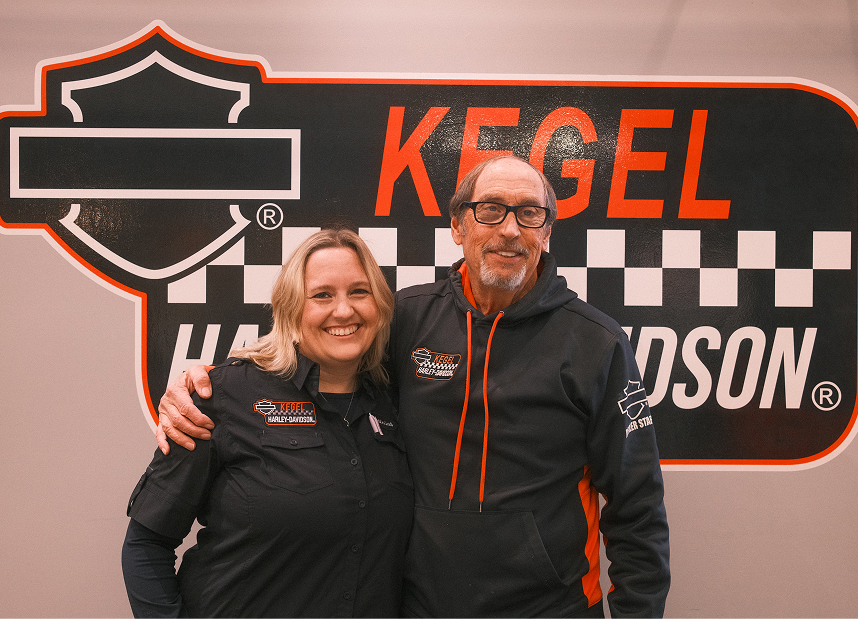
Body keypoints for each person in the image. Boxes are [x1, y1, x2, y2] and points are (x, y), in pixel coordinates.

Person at [158, 156, 670, 617]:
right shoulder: (405, 319)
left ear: (547, 232)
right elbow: (314, 352)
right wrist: (203, 383)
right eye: (490, 210)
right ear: (457, 226)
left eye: (529, 214)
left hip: (549, 608)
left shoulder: (597, 344)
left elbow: (637, 508)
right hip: (421, 607)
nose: (510, 230)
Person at [122, 228, 413, 617]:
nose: (344, 310)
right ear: (291, 308)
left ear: (379, 306)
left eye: (359, 292)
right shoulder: (224, 396)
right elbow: (145, 546)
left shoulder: (396, 402)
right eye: (322, 295)